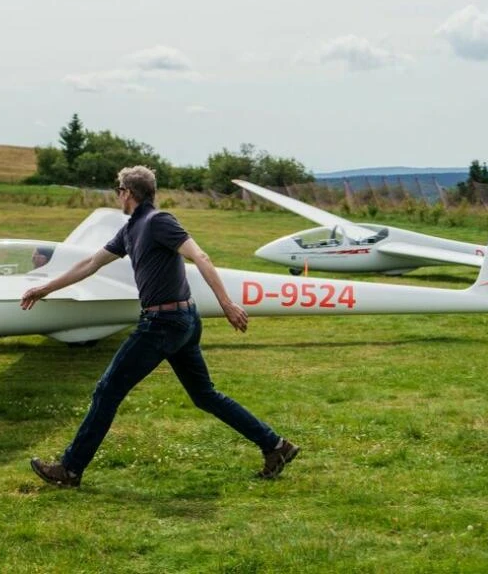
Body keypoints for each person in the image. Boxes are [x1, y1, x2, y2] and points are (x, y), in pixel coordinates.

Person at [21, 165, 299, 488]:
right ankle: (275, 446)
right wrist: (45, 288)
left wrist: (226, 303)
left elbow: (201, 256)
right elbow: (90, 263)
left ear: (128, 193)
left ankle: (69, 470)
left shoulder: (158, 222)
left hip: (163, 324)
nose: (117, 196)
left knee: (107, 391)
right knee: (205, 395)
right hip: (179, 322)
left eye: (118, 191)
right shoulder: (130, 230)